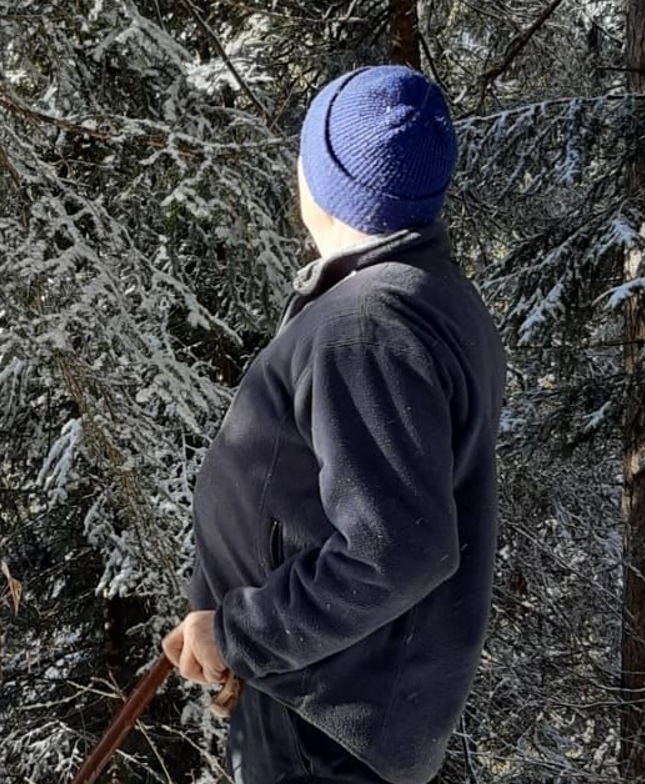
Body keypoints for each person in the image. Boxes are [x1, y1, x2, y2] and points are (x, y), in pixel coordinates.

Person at [162, 65, 506, 784]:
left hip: (324, 731)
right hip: (320, 705)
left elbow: (396, 549)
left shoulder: (369, 327)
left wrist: (240, 633)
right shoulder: (418, 296)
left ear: (324, 179)